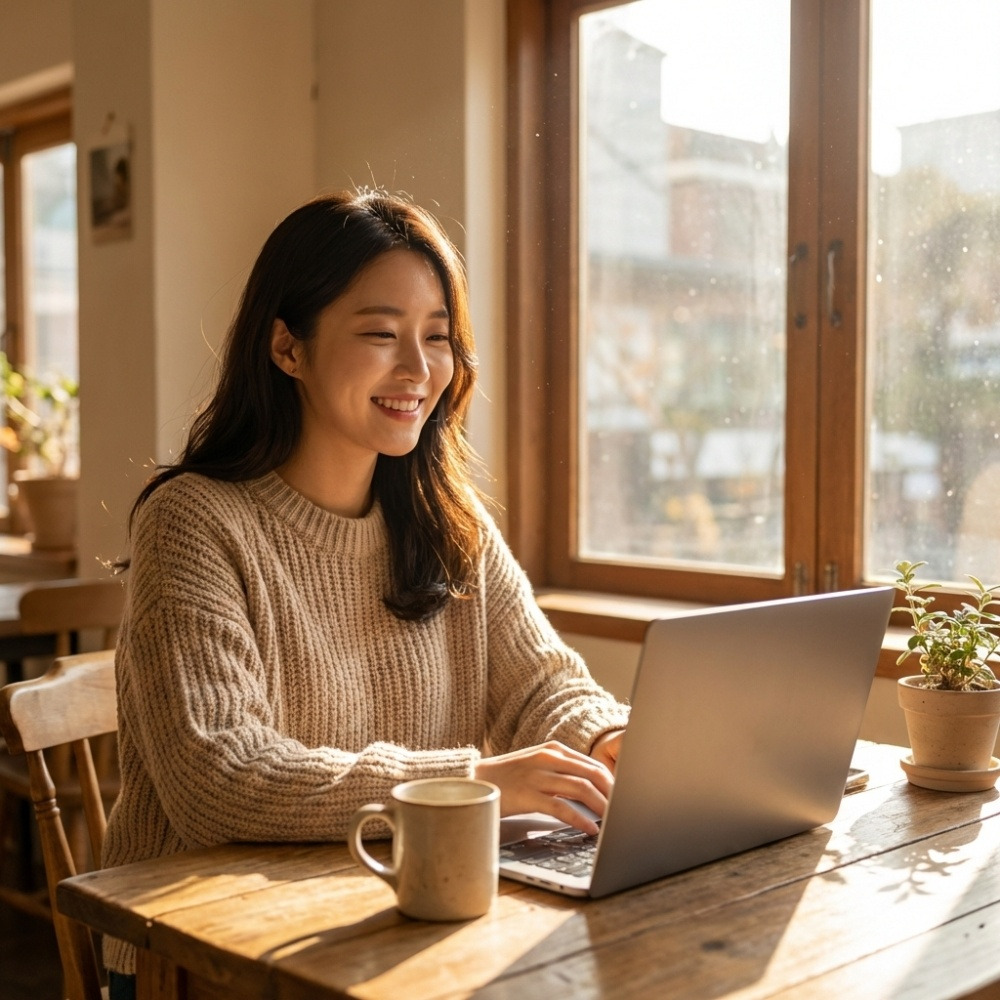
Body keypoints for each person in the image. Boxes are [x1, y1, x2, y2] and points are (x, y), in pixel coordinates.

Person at [102, 189, 629, 994]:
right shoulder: (194, 521)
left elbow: (542, 685)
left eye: (437, 337)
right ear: (288, 347)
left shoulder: (445, 519)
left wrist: (605, 742)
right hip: (201, 954)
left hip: (386, 923)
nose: (418, 370)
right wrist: (470, 783)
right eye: (381, 334)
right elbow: (220, 776)